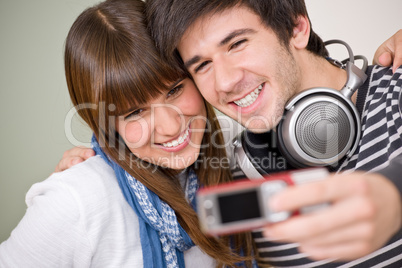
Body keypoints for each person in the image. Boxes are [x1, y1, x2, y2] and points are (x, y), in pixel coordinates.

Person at [52, 1, 402, 268]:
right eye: (202, 65)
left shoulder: (396, 91)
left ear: (296, 27)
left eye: (236, 44)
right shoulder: (236, 180)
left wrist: (393, 195)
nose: (224, 83)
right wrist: (95, 169)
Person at [0, 0, 256, 267]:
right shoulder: (76, 201)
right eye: (134, 112)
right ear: (107, 125)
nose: (170, 127)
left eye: (175, 90)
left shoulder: (237, 152)